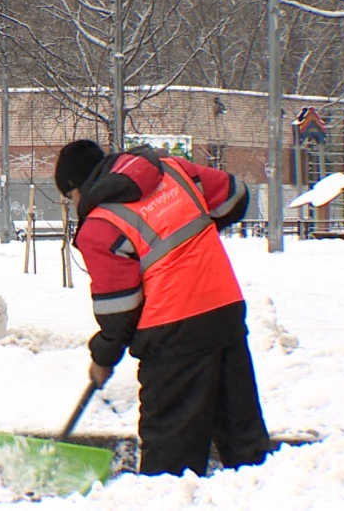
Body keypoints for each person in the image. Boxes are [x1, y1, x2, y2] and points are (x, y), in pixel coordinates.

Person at [54, 139, 269, 477]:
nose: (73, 204)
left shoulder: (99, 225)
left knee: (170, 458)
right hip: (224, 310)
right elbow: (236, 195)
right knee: (244, 437)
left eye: (69, 197)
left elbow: (119, 311)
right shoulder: (172, 170)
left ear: (77, 188)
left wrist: (102, 358)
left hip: (172, 334)